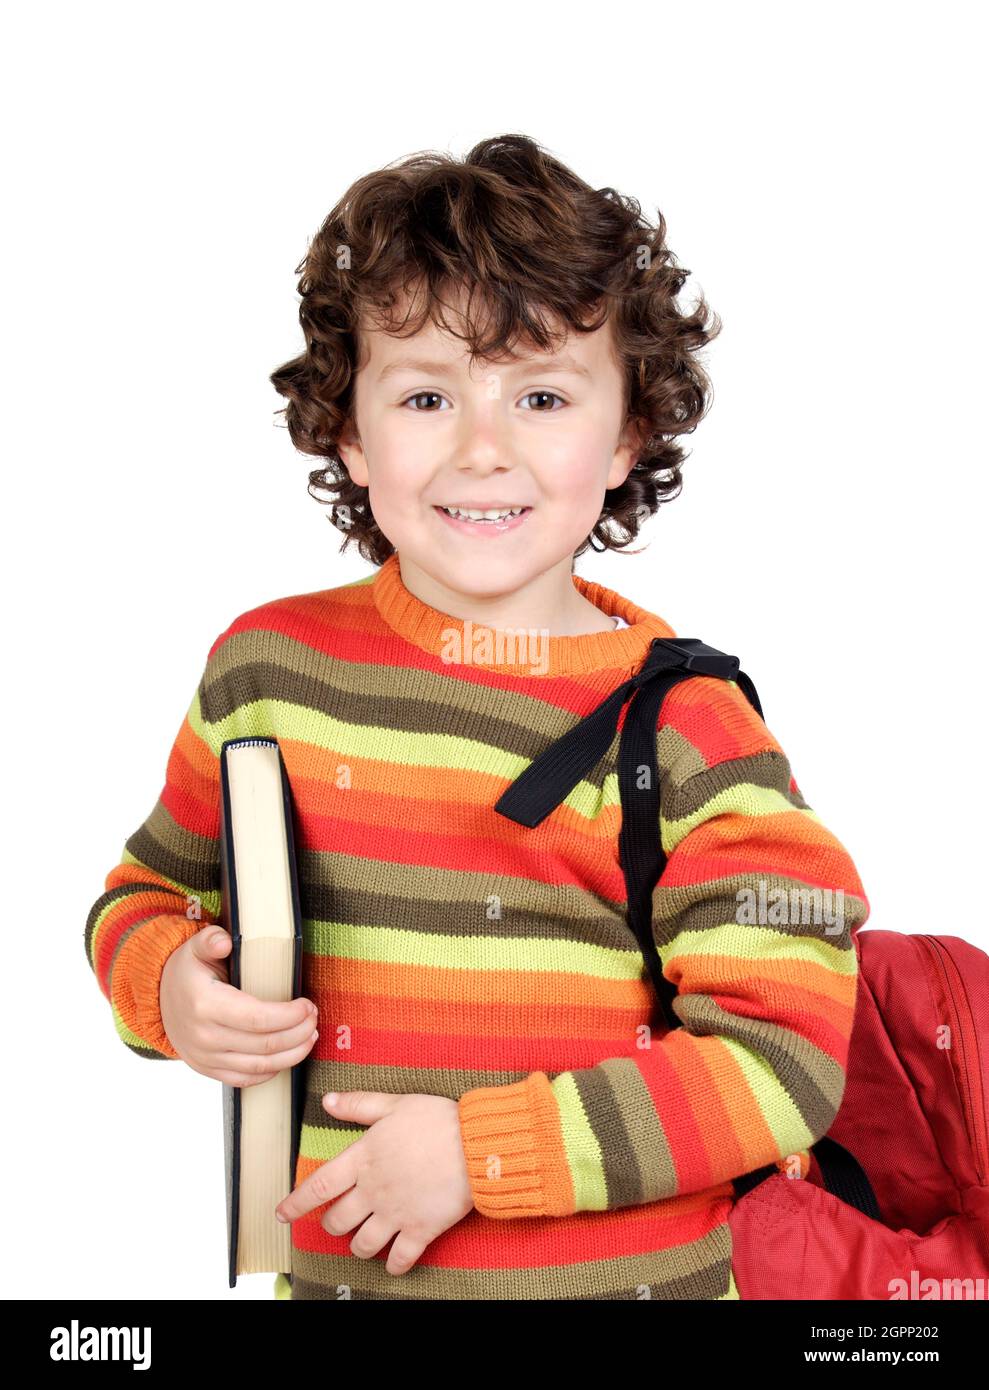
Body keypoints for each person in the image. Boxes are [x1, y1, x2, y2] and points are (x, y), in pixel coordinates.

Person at [83, 132, 870, 1301]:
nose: (481, 446)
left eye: (541, 395)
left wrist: (479, 1153)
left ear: (626, 437)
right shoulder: (267, 670)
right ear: (349, 430)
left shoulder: (688, 726)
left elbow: (784, 1054)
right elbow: (146, 897)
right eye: (424, 394)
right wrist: (172, 992)